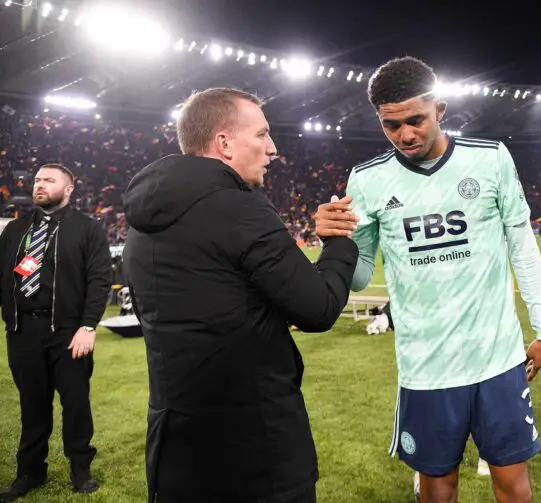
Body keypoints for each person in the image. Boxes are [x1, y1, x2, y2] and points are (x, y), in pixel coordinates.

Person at [121, 88, 359, 503]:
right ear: (225, 143)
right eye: (262, 134)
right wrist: (338, 242)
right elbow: (318, 308)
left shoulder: (139, 225)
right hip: (255, 450)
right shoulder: (241, 209)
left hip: (175, 450)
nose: (273, 148)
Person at [337, 57, 541, 503]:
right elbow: (358, 278)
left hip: (496, 359)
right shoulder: (367, 180)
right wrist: (337, 241)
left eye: (415, 120)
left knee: (514, 487)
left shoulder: (489, 159)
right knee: (437, 491)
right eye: (391, 125)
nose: (405, 135)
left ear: (440, 109)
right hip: (425, 368)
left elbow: (522, 247)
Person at [0, 164, 111, 501]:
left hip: (68, 331)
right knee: (32, 405)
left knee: (75, 404)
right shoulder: (16, 229)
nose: (39, 185)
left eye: (49, 180)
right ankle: (30, 472)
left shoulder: (88, 229)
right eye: (37, 180)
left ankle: (81, 469)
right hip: (23, 331)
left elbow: (100, 280)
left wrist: (88, 326)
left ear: (69, 187)